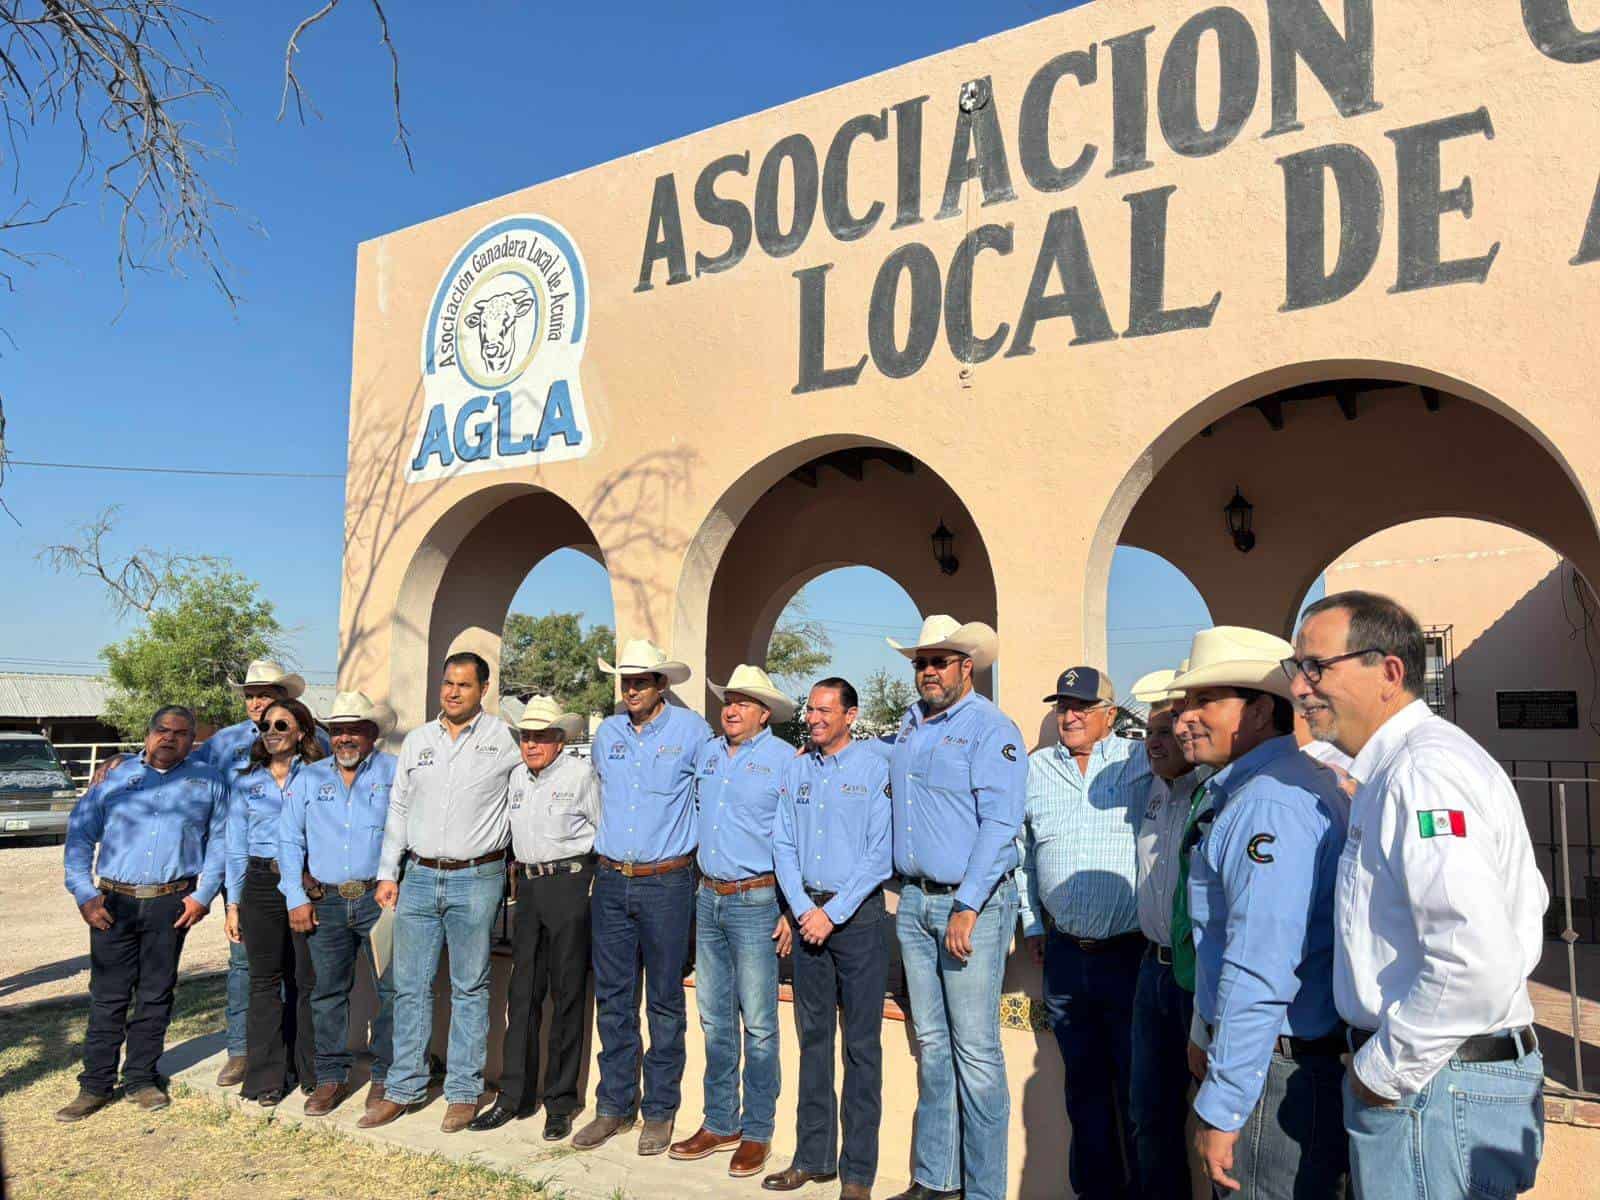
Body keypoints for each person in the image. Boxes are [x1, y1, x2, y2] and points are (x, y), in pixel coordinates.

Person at [1291, 592, 1548, 1200]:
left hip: (1430, 1085)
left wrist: (1381, 1072)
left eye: (1317, 667)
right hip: (1434, 1083)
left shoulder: (1422, 774)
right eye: (1296, 668)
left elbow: (1471, 960)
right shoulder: (1397, 769)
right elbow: (1525, 906)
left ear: (1389, 673)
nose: (1301, 688)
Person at [1172, 626, 1349, 1199]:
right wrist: (1206, 1028)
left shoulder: (1268, 802)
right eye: (1184, 704)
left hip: (1272, 1070)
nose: (1183, 721)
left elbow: (1260, 966)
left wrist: (1223, 1106)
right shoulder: (1266, 789)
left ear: (1261, 712)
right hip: (1267, 1061)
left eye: (1206, 701)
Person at [881, 614, 1026, 1200]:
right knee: (934, 1047)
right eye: (920, 662)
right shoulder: (911, 728)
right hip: (915, 901)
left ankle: (984, 1191)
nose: (927, 671)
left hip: (973, 906)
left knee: (976, 1052)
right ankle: (936, 1180)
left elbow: (1001, 823)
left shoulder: (992, 728)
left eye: (938, 661)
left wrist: (967, 903)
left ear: (967, 666)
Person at [363, 651, 521, 1133]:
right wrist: (388, 872)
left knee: (470, 987)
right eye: (447, 684)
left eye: (464, 685)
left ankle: (462, 1091)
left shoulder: (505, 740)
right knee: (409, 986)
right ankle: (404, 1087)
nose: (452, 692)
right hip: (419, 877)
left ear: (483, 690)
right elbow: (398, 809)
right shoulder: (418, 741)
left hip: (478, 877)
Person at [1016, 665, 1151, 1200]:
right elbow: (1021, 854)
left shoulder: (1140, 761)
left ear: (1109, 716)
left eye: (1081, 708)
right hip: (1066, 953)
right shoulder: (1036, 769)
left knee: (1139, 1091)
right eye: (1062, 707)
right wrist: (1031, 921)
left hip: (1130, 954)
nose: (1068, 716)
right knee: (1084, 1091)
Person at [573, 639, 712, 1156]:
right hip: (611, 880)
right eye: (625, 681)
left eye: (640, 681)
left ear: (662, 685)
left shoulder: (692, 731)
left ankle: (659, 1111)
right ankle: (613, 1106)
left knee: (664, 1001)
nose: (630, 689)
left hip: (667, 882)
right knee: (613, 998)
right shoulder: (607, 733)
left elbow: (707, 797)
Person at [57, 706, 228, 1122]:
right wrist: (84, 893)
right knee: (108, 996)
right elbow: (79, 838)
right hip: (112, 902)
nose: (170, 738)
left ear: (193, 741)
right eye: (162, 730)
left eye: (181, 733)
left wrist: (202, 895)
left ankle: (140, 1078)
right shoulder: (113, 779)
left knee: (156, 993)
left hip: (172, 902)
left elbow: (221, 842)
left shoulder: (208, 782)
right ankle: (95, 1084)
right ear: (148, 734)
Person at [764, 677, 891, 1200]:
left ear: (850, 716)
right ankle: (811, 1158)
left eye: (823, 710)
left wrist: (831, 913)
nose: (813, 718)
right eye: (809, 710)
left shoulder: (875, 768)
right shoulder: (796, 769)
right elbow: (782, 843)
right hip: (807, 917)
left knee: (861, 1047)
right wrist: (801, 910)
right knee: (813, 1042)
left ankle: (857, 1174)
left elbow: (879, 854)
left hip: (855, 919)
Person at [670, 665, 796, 1178]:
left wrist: (792, 906)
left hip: (757, 899)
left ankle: (758, 1130)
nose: (732, 708)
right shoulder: (707, 754)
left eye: (744, 702)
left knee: (760, 1023)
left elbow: (796, 836)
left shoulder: (786, 761)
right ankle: (720, 1121)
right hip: (709, 896)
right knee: (714, 1017)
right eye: (729, 700)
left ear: (764, 714)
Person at [471, 696, 599, 1141]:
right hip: (527, 887)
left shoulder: (582, 776)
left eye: (541, 736)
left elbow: (602, 831)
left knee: (567, 995)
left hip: (569, 882)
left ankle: (559, 1102)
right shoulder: (516, 779)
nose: (532, 744)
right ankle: (513, 1097)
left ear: (560, 740)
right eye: (526, 736)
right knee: (522, 995)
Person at [192, 659, 313, 1088]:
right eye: (251, 694)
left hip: (302, 873)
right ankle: (243, 1051)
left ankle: (297, 1055)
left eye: (266, 694)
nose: (257, 702)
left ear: (286, 699)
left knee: (301, 966)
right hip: (248, 865)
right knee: (247, 964)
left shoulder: (310, 749)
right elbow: (183, 771)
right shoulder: (223, 745)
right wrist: (122, 763)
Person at [277, 691, 398, 1118]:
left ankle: (386, 1078)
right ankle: (330, 1077)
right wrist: (295, 895)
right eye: (339, 730)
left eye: (355, 730)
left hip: (380, 899)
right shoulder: (307, 778)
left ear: (372, 733)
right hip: (325, 901)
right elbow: (289, 839)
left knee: (393, 990)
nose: (345, 738)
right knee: (327, 992)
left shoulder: (393, 772)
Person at [1126, 669, 1207, 1200]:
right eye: (1149, 734)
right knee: (1149, 1113)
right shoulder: (1151, 790)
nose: (1156, 742)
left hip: (1199, 978)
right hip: (1149, 972)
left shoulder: (1214, 793)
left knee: (1217, 1117)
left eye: (1167, 729)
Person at [225, 696, 327, 1105]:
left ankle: (311, 1071)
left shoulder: (321, 776)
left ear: (301, 732)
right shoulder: (245, 781)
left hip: (306, 884)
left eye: (281, 726)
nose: (270, 733)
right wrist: (233, 904)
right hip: (260, 884)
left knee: (306, 980)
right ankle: (267, 1076)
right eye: (265, 726)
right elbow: (234, 846)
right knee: (264, 981)